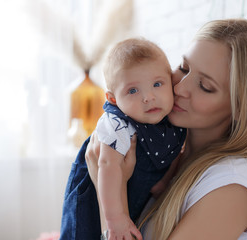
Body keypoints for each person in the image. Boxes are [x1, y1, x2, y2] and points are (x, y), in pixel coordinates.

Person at [85, 19, 247, 240]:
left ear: (241, 107)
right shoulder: (166, 154)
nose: (180, 88)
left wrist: (103, 194)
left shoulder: (232, 186)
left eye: (205, 86)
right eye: (183, 68)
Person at [59, 38, 186, 240]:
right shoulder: (117, 123)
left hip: (133, 194)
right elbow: (107, 165)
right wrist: (115, 219)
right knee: (82, 231)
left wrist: (165, 181)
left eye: (157, 84)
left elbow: (176, 149)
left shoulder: (172, 119)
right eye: (133, 90)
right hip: (97, 194)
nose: (149, 97)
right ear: (113, 99)